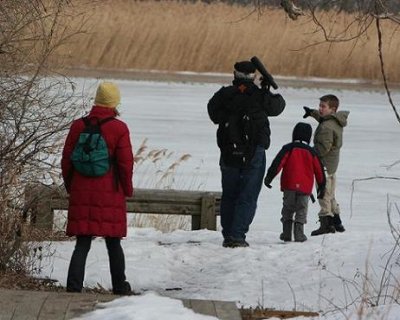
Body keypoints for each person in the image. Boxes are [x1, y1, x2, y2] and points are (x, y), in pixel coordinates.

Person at [61, 82, 134, 295]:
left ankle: (73, 288)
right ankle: (120, 287)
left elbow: (66, 160)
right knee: (113, 243)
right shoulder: (119, 128)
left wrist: (70, 185)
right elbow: (125, 164)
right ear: (114, 102)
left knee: (82, 243)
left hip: (81, 190)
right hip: (110, 192)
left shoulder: (77, 125)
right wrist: (127, 189)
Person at [207, 60, 286, 248]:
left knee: (230, 194)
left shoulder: (224, 95)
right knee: (248, 195)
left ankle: (229, 235)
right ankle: (238, 235)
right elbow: (278, 106)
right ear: (253, 76)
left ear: (235, 75)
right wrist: (265, 88)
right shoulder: (259, 96)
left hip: (228, 151)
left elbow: (213, 114)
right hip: (255, 151)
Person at [263, 122, 326, 242]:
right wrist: (322, 187)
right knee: (301, 210)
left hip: (289, 185)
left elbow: (278, 163)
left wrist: (269, 178)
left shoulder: (288, 148)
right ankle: (299, 234)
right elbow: (319, 171)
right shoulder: (312, 152)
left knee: (287, 208)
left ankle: (286, 233)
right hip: (305, 187)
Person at [303, 94, 349, 236]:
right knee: (331, 194)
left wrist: (310, 152)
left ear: (333, 109)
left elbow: (323, 148)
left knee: (323, 194)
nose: (320, 109)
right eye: (320, 106)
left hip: (324, 166)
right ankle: (337, 221)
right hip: (332, 166)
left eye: (323, 106)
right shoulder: (335, 121)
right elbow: (323, 119)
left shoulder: (327, 127)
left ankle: (326, 224)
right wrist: (312, 113)